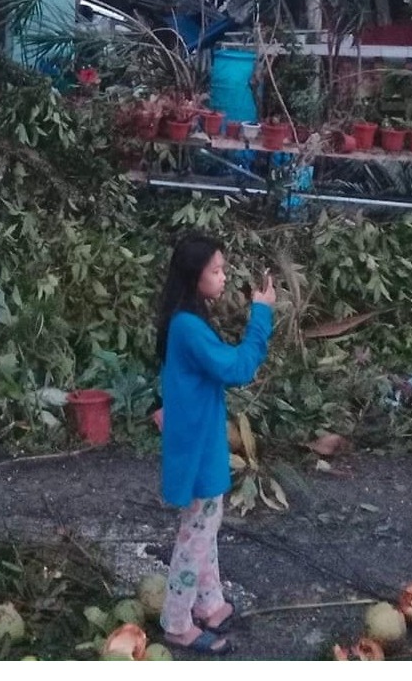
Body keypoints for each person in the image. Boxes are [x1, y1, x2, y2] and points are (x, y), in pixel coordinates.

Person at [152, 233, 275, 655]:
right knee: (197, 532)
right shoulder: (188, 326)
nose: (223, 277)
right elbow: (237, 367)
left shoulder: (185, 319)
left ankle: (210, 603)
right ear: (194, 276)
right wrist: (261, 316)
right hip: (198, 444)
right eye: (217, 270)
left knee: (206, 524)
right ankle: (176, 621)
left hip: (198, 438)